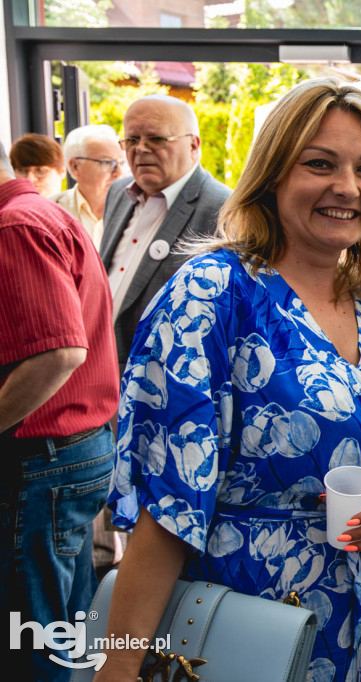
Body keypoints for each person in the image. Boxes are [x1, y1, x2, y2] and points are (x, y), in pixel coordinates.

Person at [97, 79, 361, 680]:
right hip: (236, 630)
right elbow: (167, 508)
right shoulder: (212, 293)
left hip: (352, 625)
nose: (347, 187)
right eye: (320, 164)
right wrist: (118, 670)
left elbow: (355, 422)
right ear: (273, 174)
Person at [0, 141, 120, 681]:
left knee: (33, 642)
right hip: (69, 450)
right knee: (65, 635)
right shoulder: (40, 213)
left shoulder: (15, 226)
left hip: (46, 456)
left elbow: (59, 353)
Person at [100, 94, 231, 369]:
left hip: (162, 382)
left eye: (156, 139)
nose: (141, 149)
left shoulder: (224, 208)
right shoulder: (117, 193)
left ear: (194, 145)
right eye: (132, 140)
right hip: (100, 371)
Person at [52, 124, 128, 248]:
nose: (119, 173)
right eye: (107, 163)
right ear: (75, 166)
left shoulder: (139, 210)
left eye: (122, 163)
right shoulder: (49, 212)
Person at [9, 132, 66, 197]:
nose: (30, 179)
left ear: (62, 171)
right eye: (22, 171)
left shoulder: (76, 205)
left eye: (40, 170)